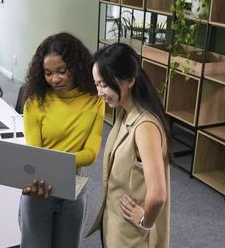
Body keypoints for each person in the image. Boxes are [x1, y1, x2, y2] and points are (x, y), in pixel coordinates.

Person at [19, 32, 105, 248]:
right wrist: (54, 163)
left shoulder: (95, 100)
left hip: (73, 187)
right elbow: (36, 155)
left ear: (76, 67)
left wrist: (51, 161)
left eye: (61, 71)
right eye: (48, 73)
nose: (54, 79)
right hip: (39, 188)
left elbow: (91, 154)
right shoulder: (35, 102)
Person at [87, 43, 171, 248]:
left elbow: (158, 195)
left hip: (131, 234)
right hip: (116, 223)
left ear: (130, 81)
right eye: (97, 85)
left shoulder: (145, 127)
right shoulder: (125, 114)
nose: (100, 93)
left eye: (104, 85)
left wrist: (144, 221)